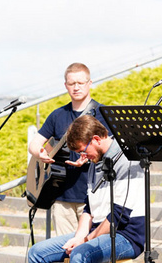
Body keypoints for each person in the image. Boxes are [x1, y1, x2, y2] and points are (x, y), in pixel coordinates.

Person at [11, 115, 145, 263]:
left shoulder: (127, 160)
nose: (84, 157)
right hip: (99, 230)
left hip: (127, 235)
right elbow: (90, 206)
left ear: (96, 139)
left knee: (80, 255)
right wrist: (80, 234)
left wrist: (87, 240)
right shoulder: (97, 160)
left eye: (84, 150)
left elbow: (119, 216)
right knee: (38, 253)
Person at [28, 63, 111, 236]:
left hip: (93, 195)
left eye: (81, 83)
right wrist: (40, 154)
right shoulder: (57, 115)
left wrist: (89, 158)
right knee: (64, 252)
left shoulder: (103, 113)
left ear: (90, 83)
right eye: (72, 83)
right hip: (61, 195)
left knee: (90, 250)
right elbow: (34, 145)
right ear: (65, 85)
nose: (76, 87)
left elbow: (110, 149)